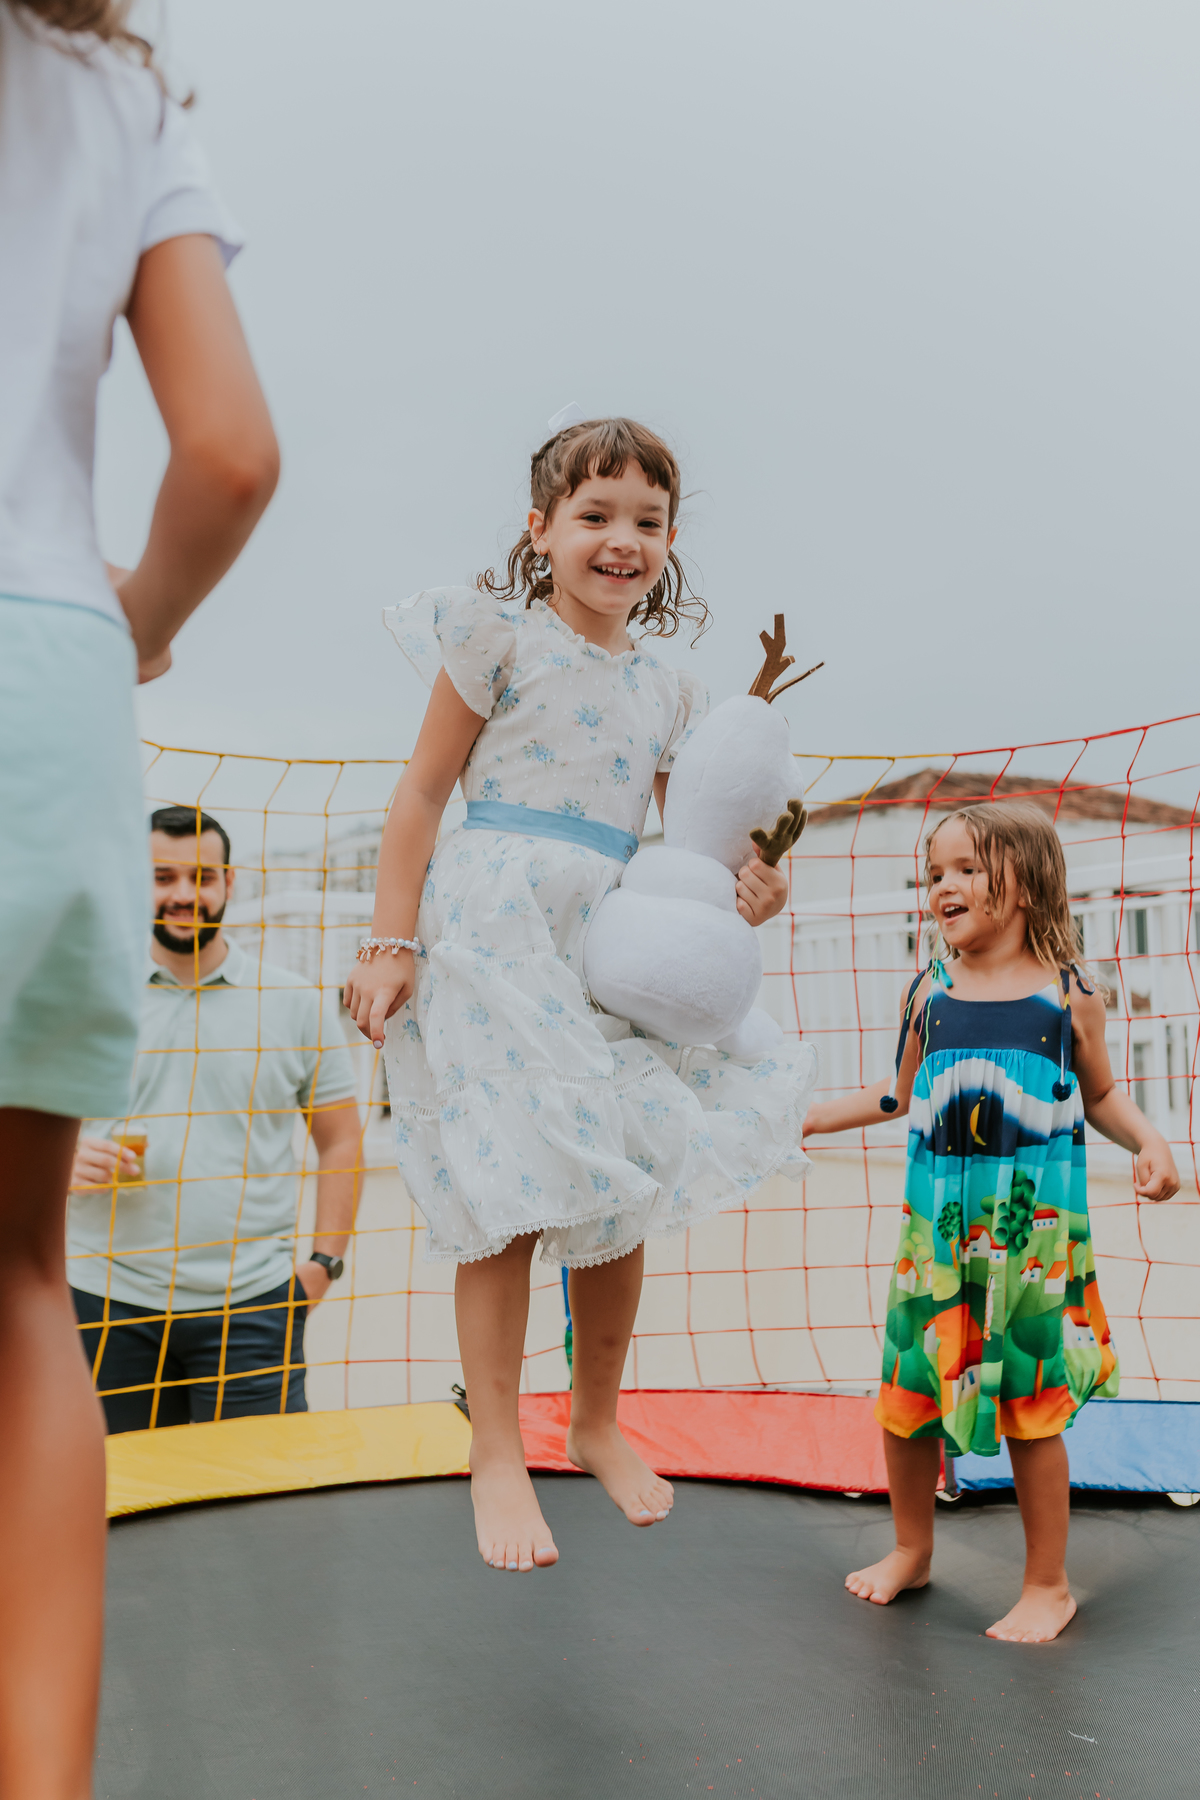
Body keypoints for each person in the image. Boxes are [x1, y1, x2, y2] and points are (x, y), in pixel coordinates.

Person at [344, 414, 815, 1573]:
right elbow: (417, 798)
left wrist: (755, 889)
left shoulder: (670, 688)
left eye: (647, 523)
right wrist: (388, 941)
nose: (622, 541)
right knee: (510, 1188)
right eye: (595, 516)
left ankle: (596, 1417)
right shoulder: (497, 642)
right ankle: (496, 1450)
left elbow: (701, 838)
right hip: (497, 929)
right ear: (540, 529)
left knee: (628, 1163)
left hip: (611, 933)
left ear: (669, 541)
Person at [0, 3, 278, 1789]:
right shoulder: (111, 88)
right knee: (22, 1281)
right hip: (48, 672)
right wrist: (146, 617)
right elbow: (231, 453)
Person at [802, 801, 1180, 1643]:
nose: (945, 886)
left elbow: (1105, 1096)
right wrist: (814, 1116)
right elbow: (895, 1093)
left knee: (1030, 1408)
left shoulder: (1068, 997)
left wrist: (1150, 1139)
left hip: (1031, 1244)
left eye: (967, 869)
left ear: (1027, 883)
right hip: (936, 1239)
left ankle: (1048, 1583)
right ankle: (911, 1547)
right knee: (906, 1397)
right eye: (934, 874)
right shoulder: (927, 990)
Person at [67, 808, 362, 1430]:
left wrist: (325, 1265)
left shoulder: (294, 1004)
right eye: (162, 876)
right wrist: (60, 1160)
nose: (182, 894)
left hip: (253, 1307)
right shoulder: (87, 997)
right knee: (124, 1512)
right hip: (103, 1302)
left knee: (260, 1513)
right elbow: (23, 1118)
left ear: (230, 883)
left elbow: (340, 1141)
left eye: (200, 877)